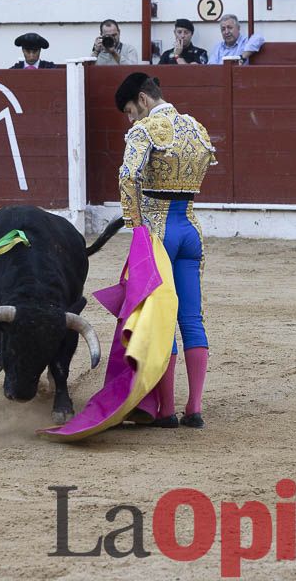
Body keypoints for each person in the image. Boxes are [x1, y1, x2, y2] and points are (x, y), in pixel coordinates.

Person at [114, 72, 217, 428]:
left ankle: (166, 409)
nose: (132, 119)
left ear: (143, 100)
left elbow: (128, 177)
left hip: (159, 232)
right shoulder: (196, 128)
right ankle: (195, 408)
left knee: (161, 320)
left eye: (130, 111)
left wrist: (136, 225)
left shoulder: (144, 131)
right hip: (191, 229)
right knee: (191, 317)